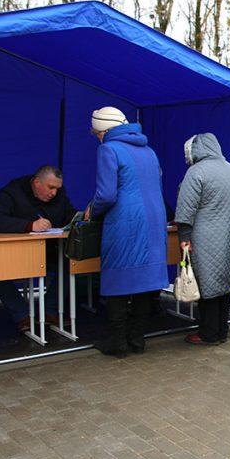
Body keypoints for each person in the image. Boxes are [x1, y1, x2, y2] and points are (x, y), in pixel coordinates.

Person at [87, 107, 167, 357]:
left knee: (117, 279)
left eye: (97, 133)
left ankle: (118, 342)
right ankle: (137, 339)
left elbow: (107, 194)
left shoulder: (109, 149)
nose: (97, 137)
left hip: (126, 221)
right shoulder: (149, 151)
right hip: (154, 220)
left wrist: (92, 209)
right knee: (145, 281)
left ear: (105, 130)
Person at [0, 165, 78, 332]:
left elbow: (69, 214)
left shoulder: (59, 194)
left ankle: (50, 310)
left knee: (71, 260)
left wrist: (79, 218)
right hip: (14, 254)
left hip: (49, 251)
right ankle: (22, 315)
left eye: (57, 188)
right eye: (51, 188)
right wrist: (29, 225)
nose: (54, 193)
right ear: (36, 182)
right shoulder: (12, 192)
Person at [175, 133, 230, 346]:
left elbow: (186, 208)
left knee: (206, 285)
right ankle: (221, 330)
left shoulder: (196, 172)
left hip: (205, 236)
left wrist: (184, 236)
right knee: (224, 282)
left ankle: (208, 333)